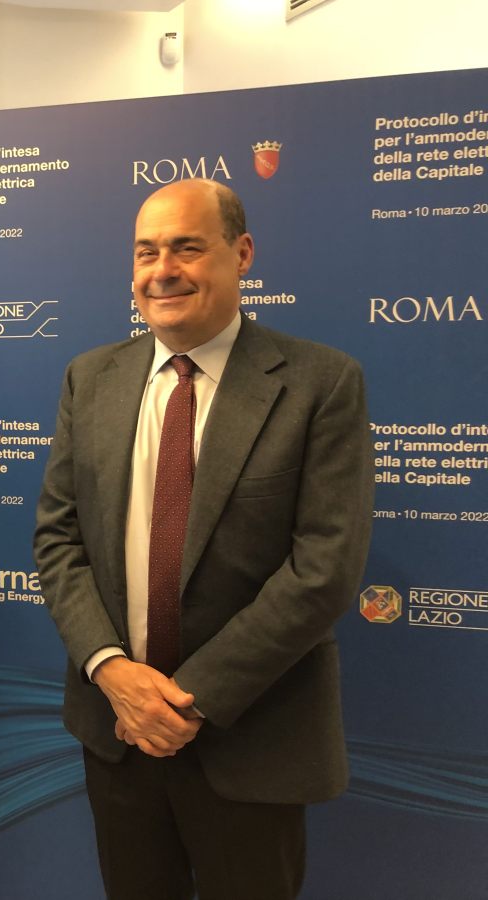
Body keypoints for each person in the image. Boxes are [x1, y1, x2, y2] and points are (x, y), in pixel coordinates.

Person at [33, 179, 373, 899]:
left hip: (251, 737)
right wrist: (112, 671)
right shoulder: (90, 378)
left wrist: (186, 700)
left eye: (187, 248)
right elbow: (59, 539)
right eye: (146, 252)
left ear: (241, 254)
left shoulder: (321, 383)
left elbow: (323, 569)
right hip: (119, 730)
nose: (163, 271)